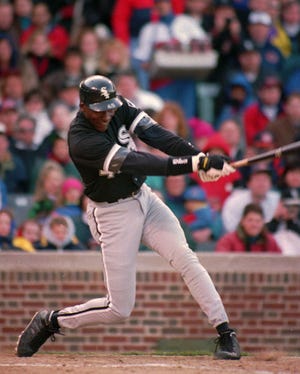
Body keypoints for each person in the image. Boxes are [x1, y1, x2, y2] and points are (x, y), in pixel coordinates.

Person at [16, 74, 241, 360]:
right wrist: (194, 163)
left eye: (110, 108)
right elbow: (138, 161)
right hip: (112, 214)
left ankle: (225, 333)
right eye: (100, 111)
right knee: (119, 309)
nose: (107, 114)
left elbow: (156, 135)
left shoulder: (119, 104)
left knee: (186, 258)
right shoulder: (81, 139)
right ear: (83, 107)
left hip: (143, 197)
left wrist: (200, 158)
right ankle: (53, 321)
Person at [215, 202, 282, 253]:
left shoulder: (270, 241)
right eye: (250, 220)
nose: (254, 225)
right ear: (242, 221)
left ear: (263, 223)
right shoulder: (228, 241)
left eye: (258, 221)